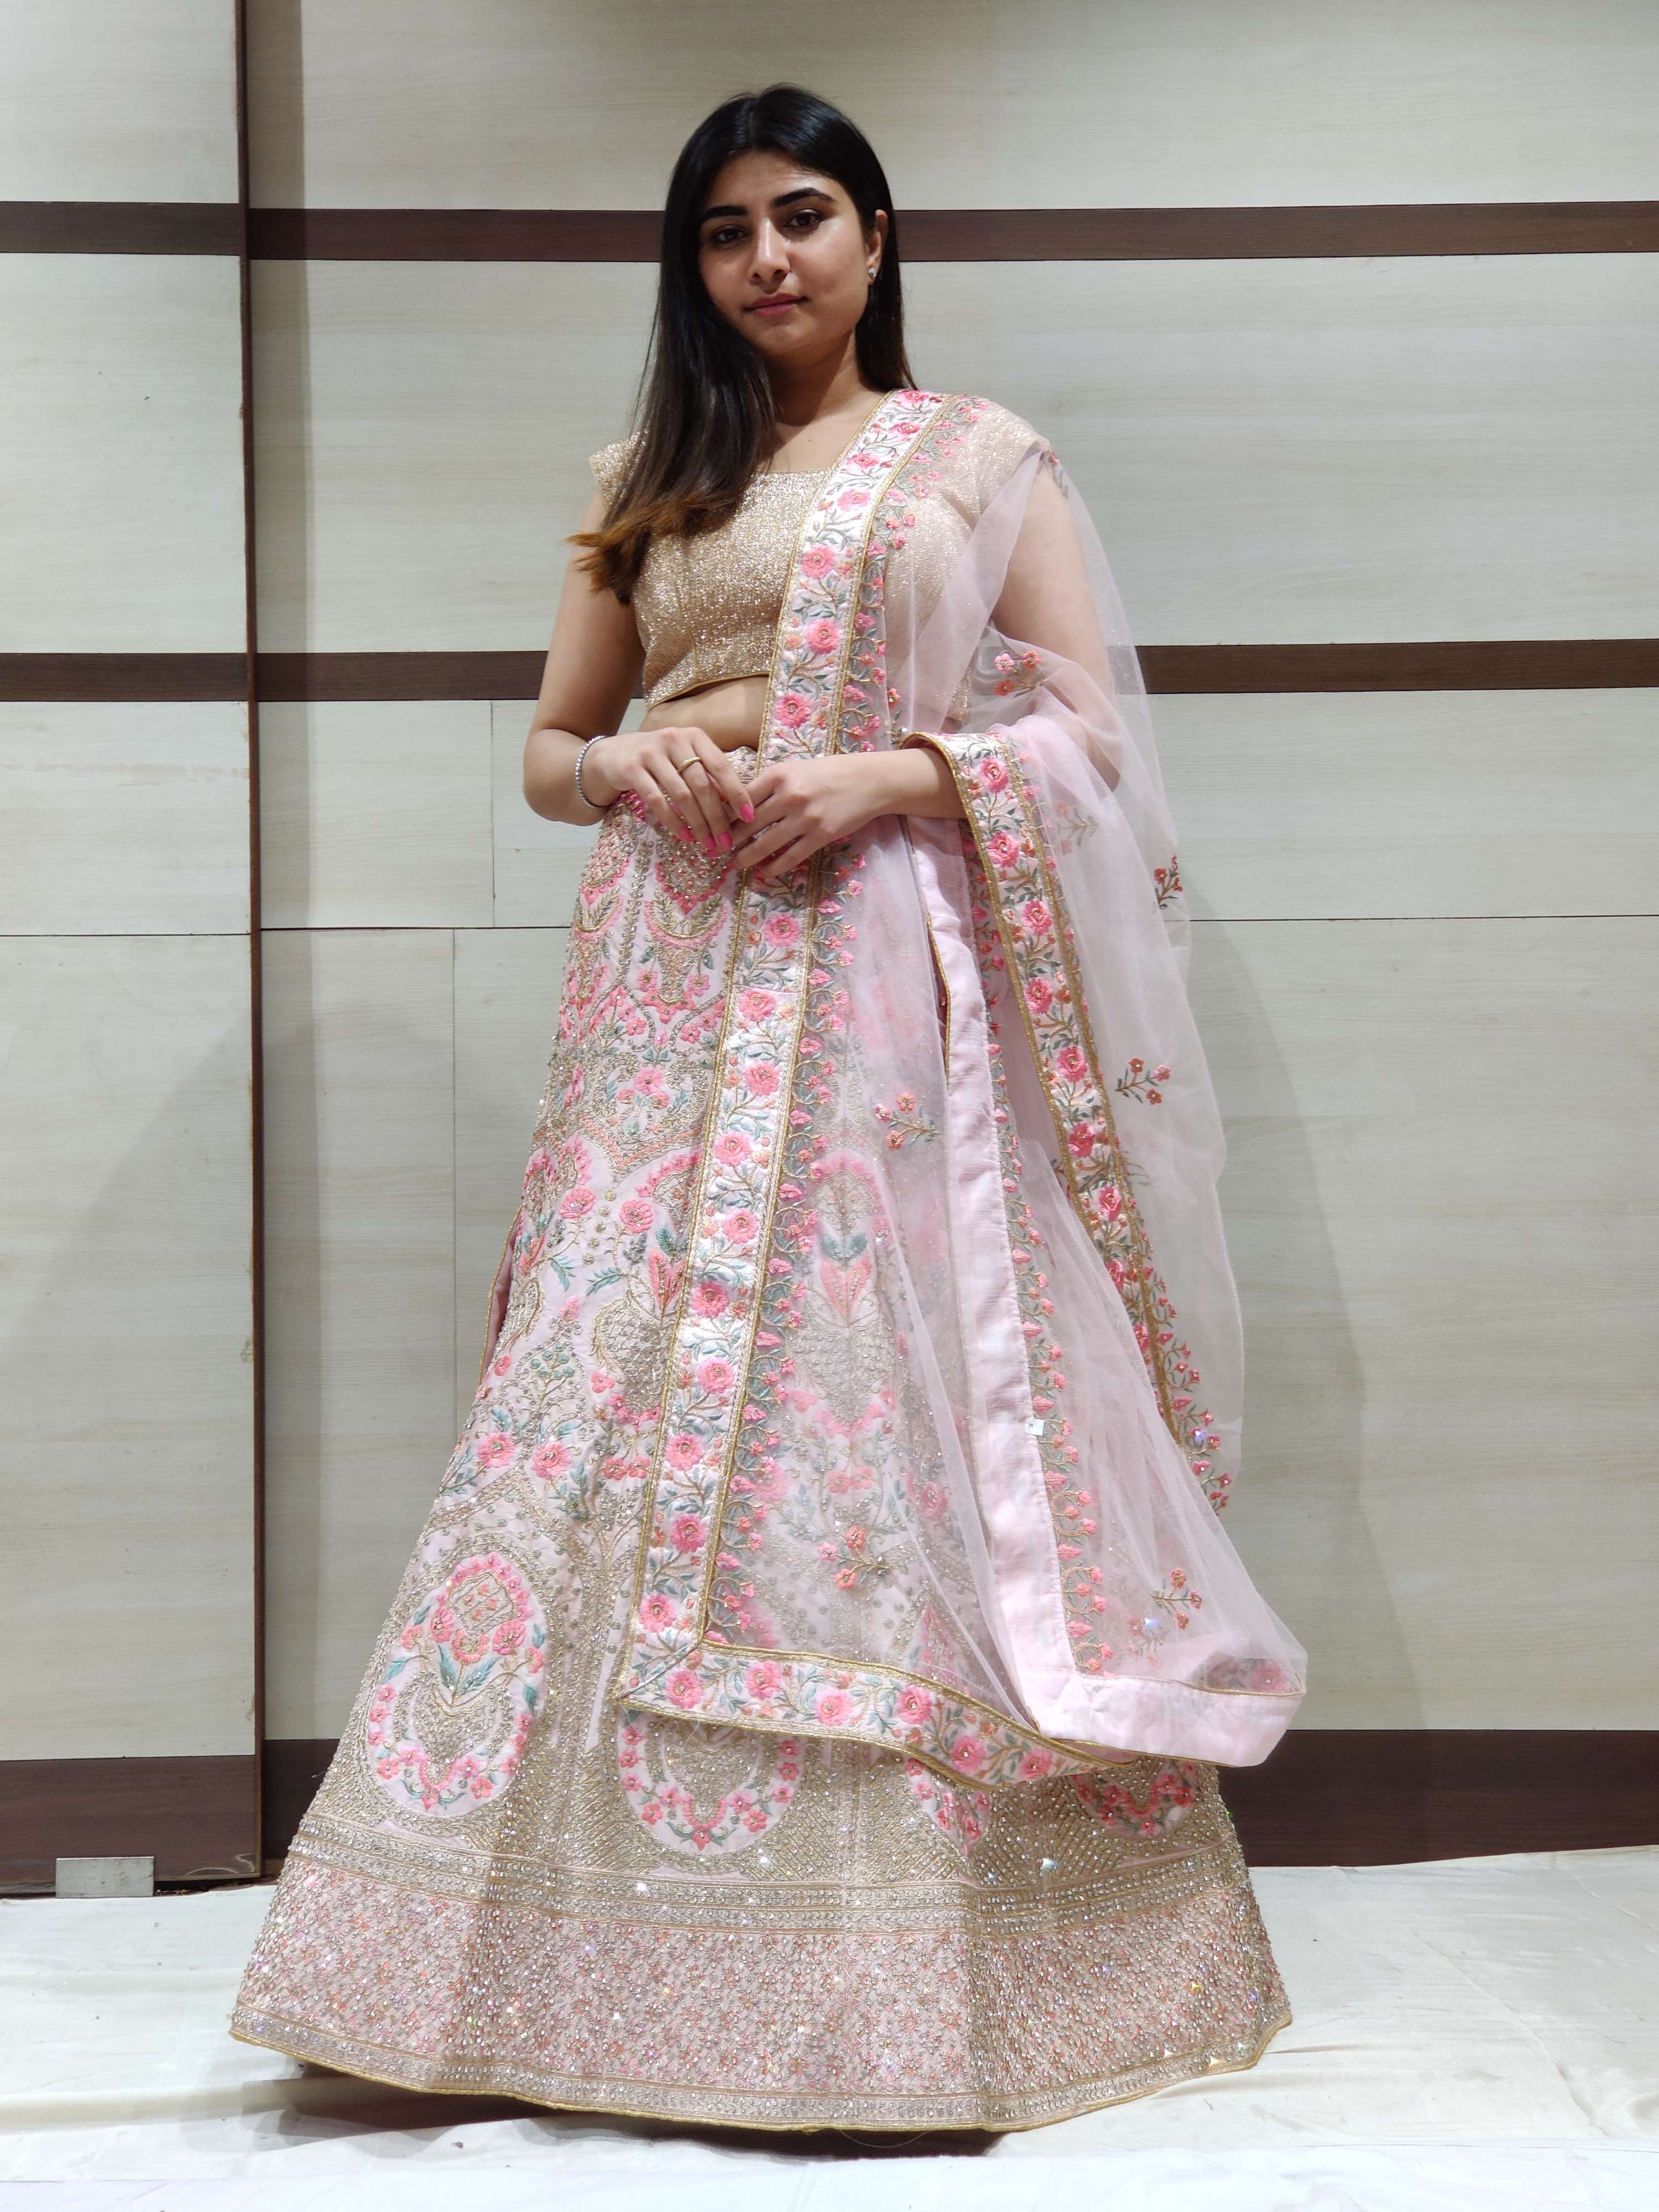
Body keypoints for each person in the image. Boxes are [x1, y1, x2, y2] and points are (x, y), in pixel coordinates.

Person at [233, 82, 1306, 2133]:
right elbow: (553, 748)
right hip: (667, 981)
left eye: (804, 218)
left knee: (858, 1405)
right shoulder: (653, 473)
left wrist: (892, 774)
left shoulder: (976, 463)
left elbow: (1082, 733)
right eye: (726, 234)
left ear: (878, 239)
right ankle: (484, 1968)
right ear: (694, 268)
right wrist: (632, 771)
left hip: (874, 981)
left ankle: (896, 1990)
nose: (768, 261)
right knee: (602, 1385)